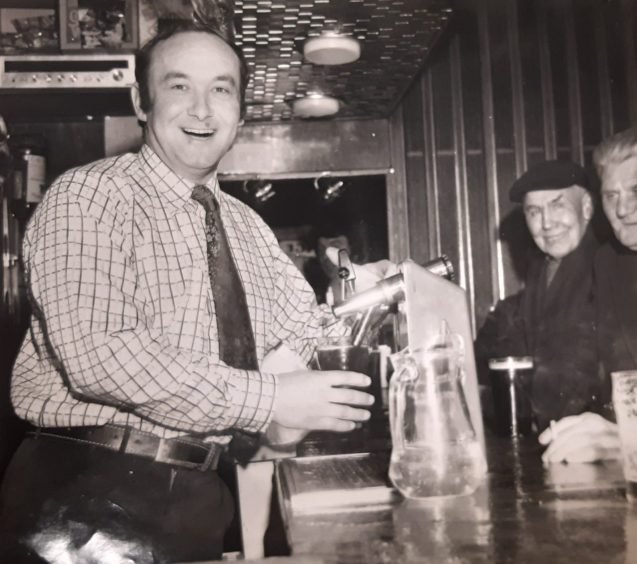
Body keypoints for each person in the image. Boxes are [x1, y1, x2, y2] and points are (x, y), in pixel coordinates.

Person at [0, 20, 394, 562]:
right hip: (85, 505)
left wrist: (363, 299)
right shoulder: (89, 196)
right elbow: (100, 353)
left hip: (198, 498)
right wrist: (272, 398)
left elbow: (302, 334)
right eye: (180, 86)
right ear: (142, 100)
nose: (202, 110)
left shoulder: (248, 227)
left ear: (241, 107)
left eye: (221, 89)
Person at [475, 160, 605, 435]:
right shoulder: (540, 277)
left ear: (587, 208)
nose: (547, 223)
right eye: (534, 212)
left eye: (558, 205)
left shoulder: (610, 270)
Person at [539, 129, 637, 464]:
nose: (623, 208)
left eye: (636, 190)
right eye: (611, 196)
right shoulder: (610, 264)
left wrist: (626, 441)